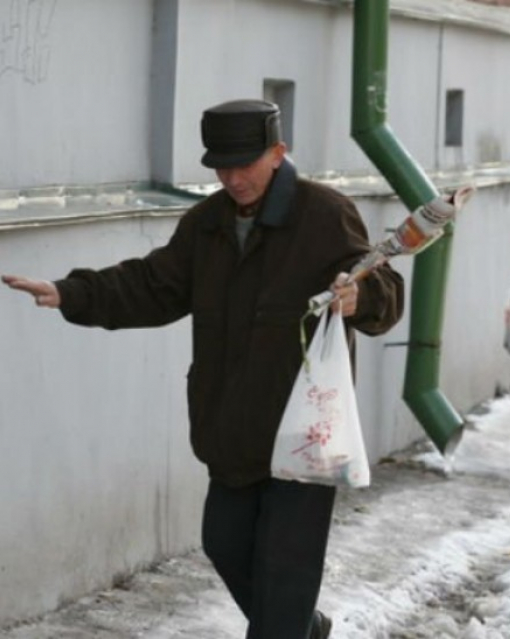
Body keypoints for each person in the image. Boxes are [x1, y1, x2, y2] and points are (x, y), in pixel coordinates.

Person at [2, 99, 404, 639]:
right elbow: (152, 286)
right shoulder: (207, 223)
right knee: (225, 542)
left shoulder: (323, 213)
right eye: (221, 166)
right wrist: (71, 292)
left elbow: (384, 287)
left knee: (284, 572)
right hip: (229, 425)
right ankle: (303, 628)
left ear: (278, 153)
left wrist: (362, 297)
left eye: (245, 164)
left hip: (302, 430)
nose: (233, 178)